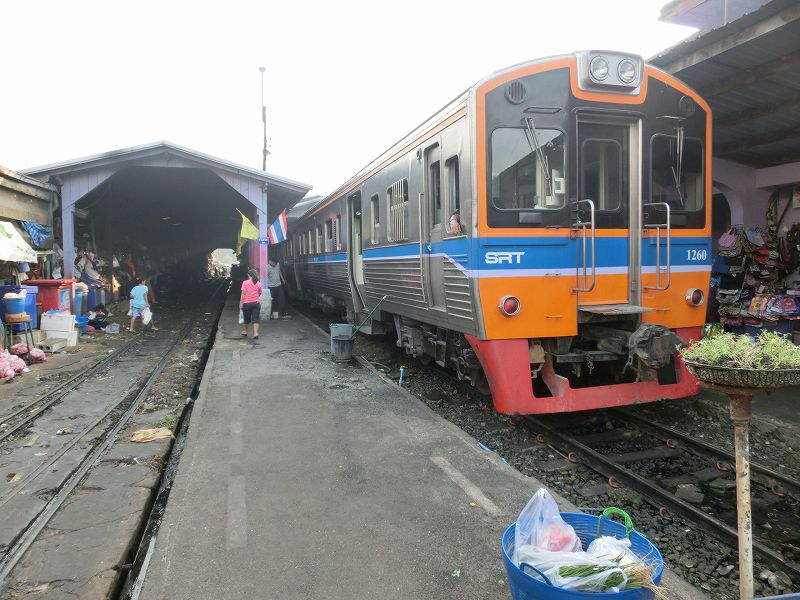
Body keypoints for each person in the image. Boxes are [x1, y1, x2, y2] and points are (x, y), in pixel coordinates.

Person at [240, 268, 263, 339]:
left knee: (246, 318)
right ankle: (255, 333)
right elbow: (260, 293)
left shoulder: (245, 282)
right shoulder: (259, 283)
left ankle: (244, 331)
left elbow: (243, 294)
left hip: (246, 303)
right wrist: (256, 298)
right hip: (256, 303)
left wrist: (241, 303)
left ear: (248, 275)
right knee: (255, 318)